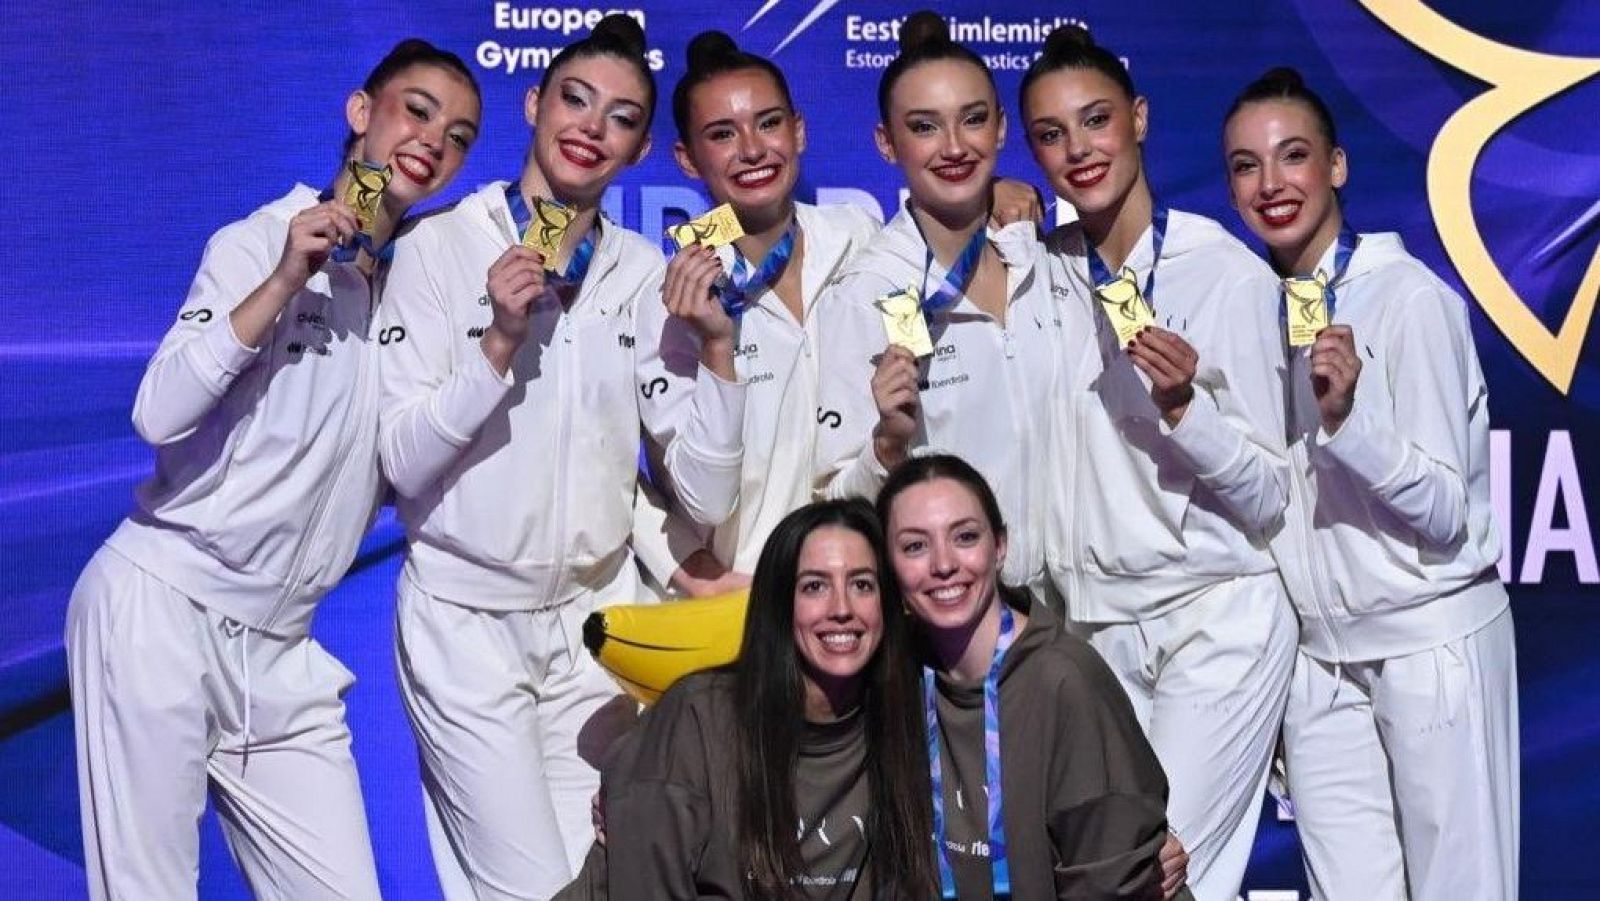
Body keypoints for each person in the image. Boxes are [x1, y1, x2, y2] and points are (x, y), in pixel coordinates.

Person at [64, 39, 481, 899]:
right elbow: (158, 412)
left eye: (460, 135)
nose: (434, 140)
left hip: (284, 652)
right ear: (361, 112)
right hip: (161, 613)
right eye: (418, 109)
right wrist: (287, 276)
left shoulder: (420, 288)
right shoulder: (258, 239)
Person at [377, 15, 745, 898]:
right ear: (535, 105)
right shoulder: (437, 248)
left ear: (641, 145)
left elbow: (701, 488)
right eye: (575, 100)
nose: (591, 127)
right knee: (532, 887)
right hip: (468, 623)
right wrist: (498, 343)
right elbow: (402, 461)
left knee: (607, 876)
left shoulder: (637, 269)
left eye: (619, 117)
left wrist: (721, 353)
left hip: (593, 631)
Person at [1013, 25, 1296, 901]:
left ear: (1137, 118)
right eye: (1052, 135)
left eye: (1095, 120)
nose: (1078, 150)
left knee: (1162, 878)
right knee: (1105, 877)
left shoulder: (1228, 276)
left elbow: (1273, 493)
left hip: (1216, 620)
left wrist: (1186, 411)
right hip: (1093, 635)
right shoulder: (1038, 270)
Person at [1222, 66, 1519, 901]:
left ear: (1338, 166)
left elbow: (1445, 511)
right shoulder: (1253, 309)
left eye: (1292, 156)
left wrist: (1349, 420)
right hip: (1322, 664)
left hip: (1432, 645)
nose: (1271, 184)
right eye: (1246, 166)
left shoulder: (1410, 301)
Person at [563, 499, 937, 899]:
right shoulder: (698, 719)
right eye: (814, 586)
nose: (841, 608)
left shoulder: (906, 718)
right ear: (778, 603)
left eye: (862, 584)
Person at [813, 12, 1064, 598]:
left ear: (1001, 128)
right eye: (924, 127)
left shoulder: (1046, 261)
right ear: (885, 142)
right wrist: (886, 446)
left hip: (1074, 617)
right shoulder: (868, 291)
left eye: (973, 120)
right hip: (946, 616)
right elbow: (834, 497)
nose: (954, 147)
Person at [879, 454, 1188, 901]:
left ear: (1000, 546)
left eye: (965, 537)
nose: (943, 563)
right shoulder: (892, 677)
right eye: (914, 546)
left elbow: (1108, 884)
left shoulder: (1065, 680)